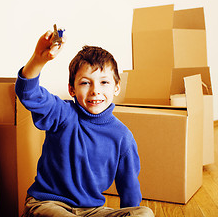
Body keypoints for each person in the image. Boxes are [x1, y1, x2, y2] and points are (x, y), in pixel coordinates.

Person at [15, 29, 154, 217]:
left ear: (117, 87)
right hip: (47, 204)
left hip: (91, 211)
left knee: (143, 214)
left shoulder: (123, 136)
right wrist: (39, 60)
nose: (95, 90)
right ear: (71, 89)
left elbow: (128, 186)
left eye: (104, 82)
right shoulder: (62, 113)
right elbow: (28, 93)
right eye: (85, 83)